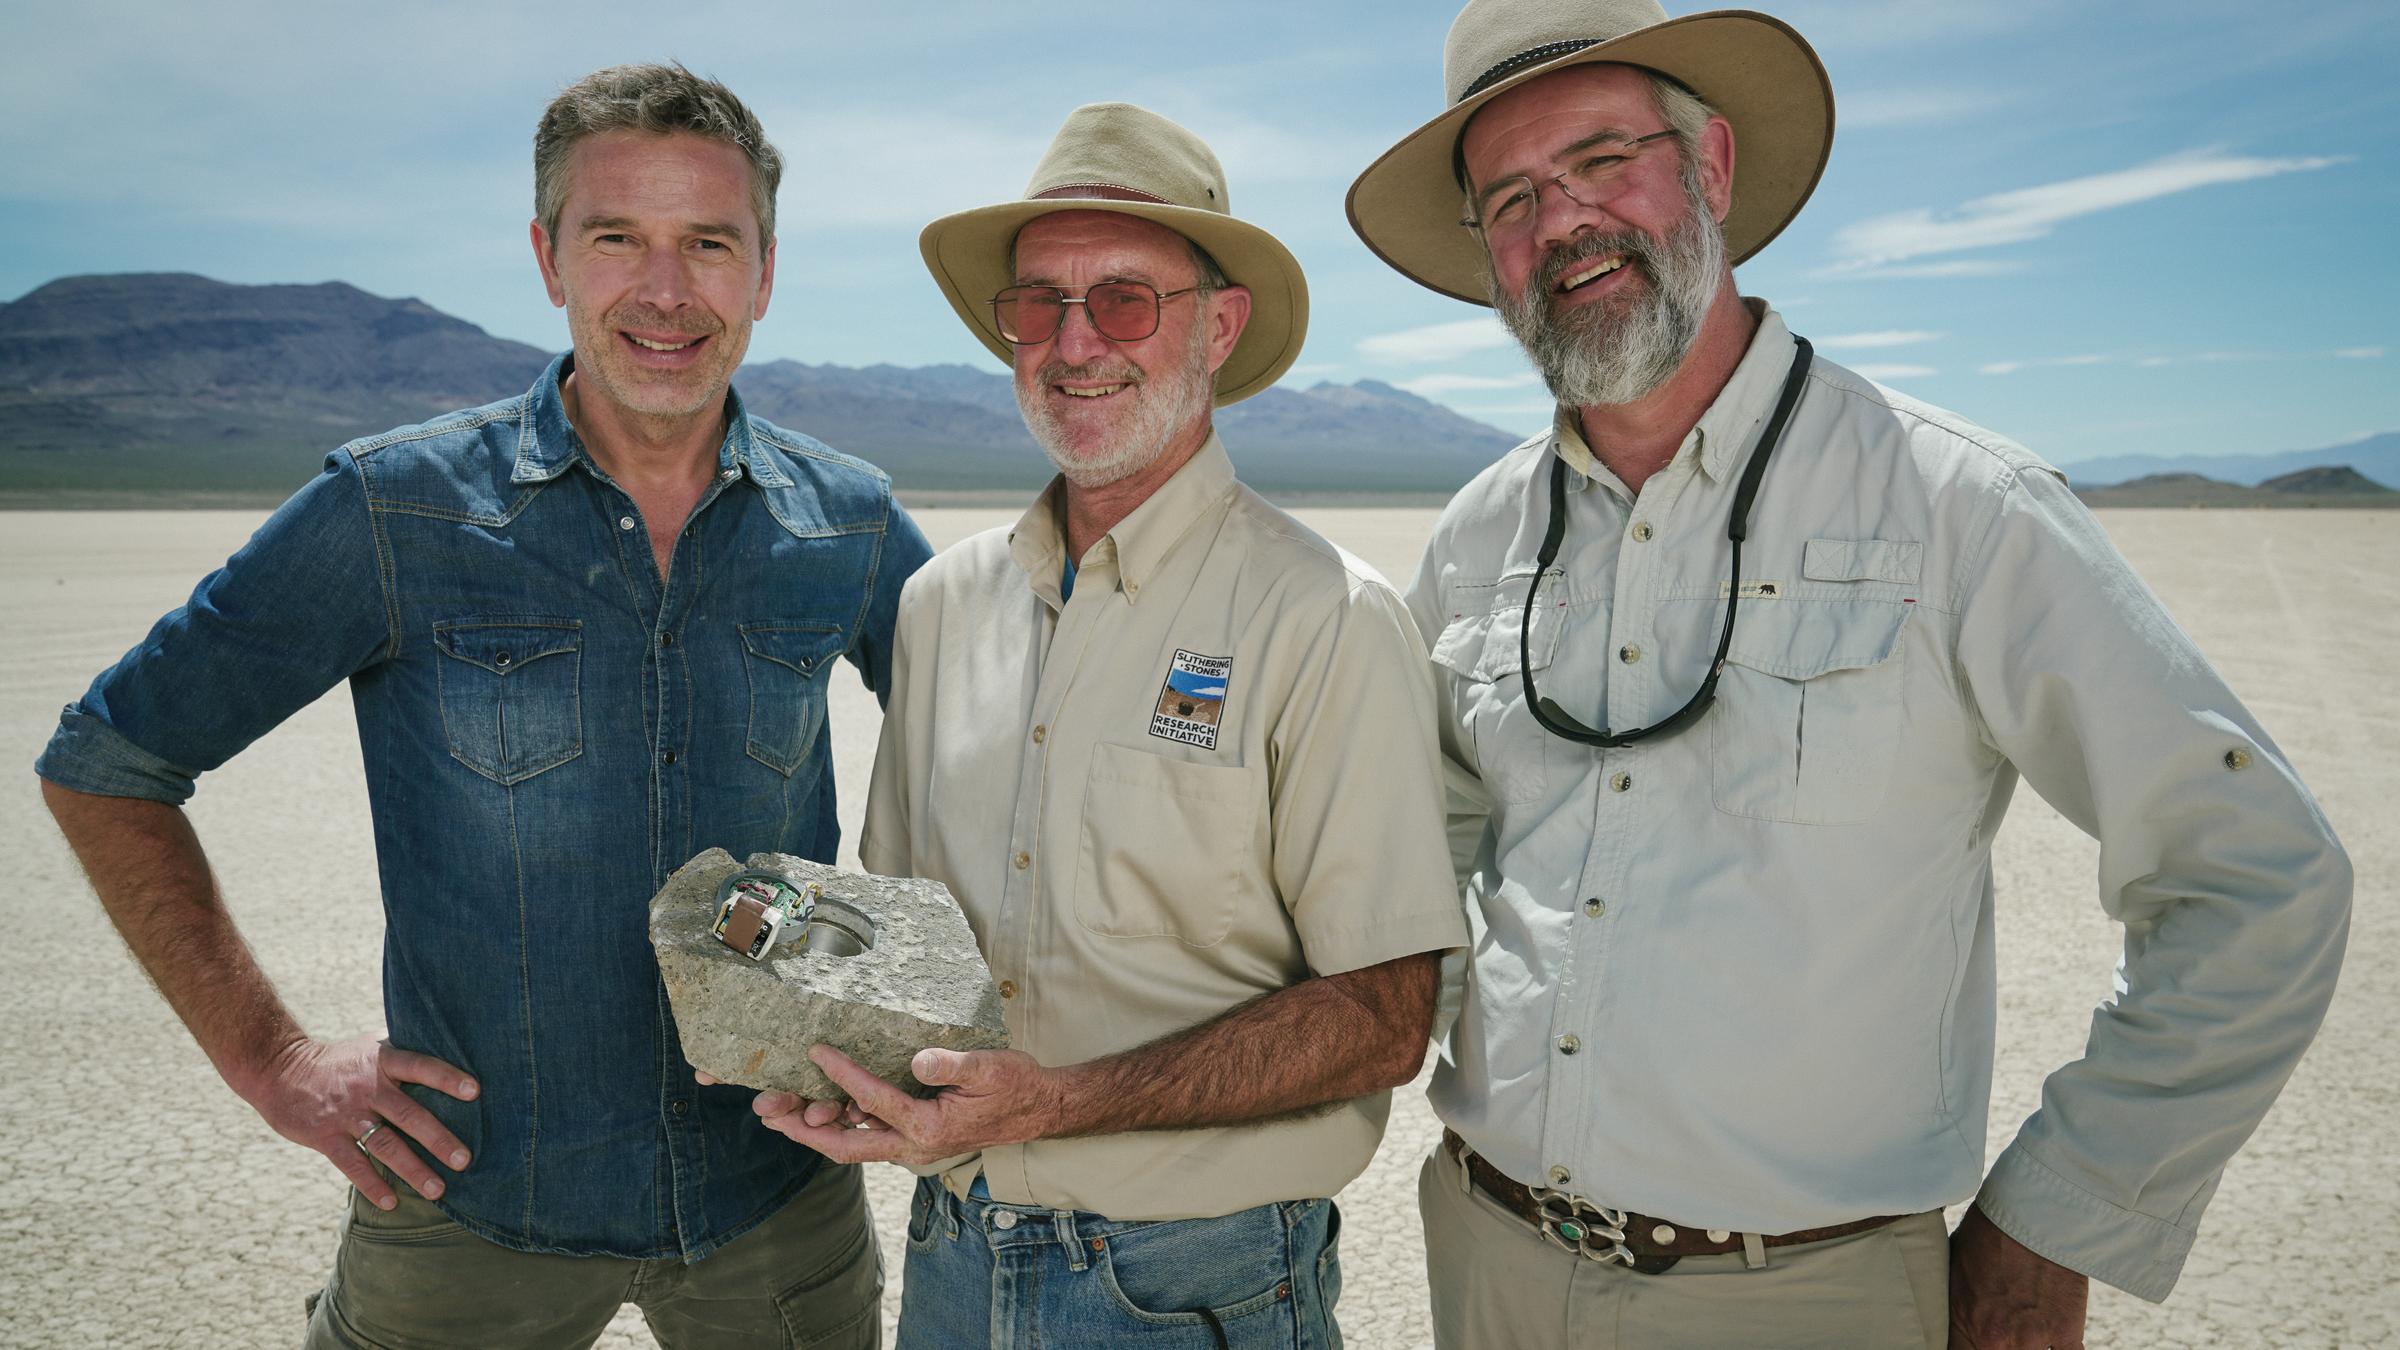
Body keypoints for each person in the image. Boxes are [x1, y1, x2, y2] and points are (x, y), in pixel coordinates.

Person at [1345, 3, 2353, 1346]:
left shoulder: (1959, 506)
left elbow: (2256, 874)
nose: (1566, 221)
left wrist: (2058, 1212)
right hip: (1487, 1258)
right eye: (1516, 198)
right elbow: (1438, 849)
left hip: (1804, 1297)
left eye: (1602, 162)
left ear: (1710, 165)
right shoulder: (1479, 536)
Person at [35, 62, 928, 1349]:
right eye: (616, 237)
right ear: (548, 256)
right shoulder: (396, 512)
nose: (666, 290)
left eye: (709, 244)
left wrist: (893, 1022)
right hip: (463, 1210)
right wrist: (274, 1062)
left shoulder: (844, 521)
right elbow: (107, 762)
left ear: (765, 271)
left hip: (773, 1207)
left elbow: (1000, 761)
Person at [737, 102, 1470, 1348]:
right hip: (953, 1266)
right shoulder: (942, 605)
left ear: (1219, 327)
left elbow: (1385, 1015)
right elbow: (910, 942)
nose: (1075, 343)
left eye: (1126, 298)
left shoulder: (1322, 618)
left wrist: (1049, 1105)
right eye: (1040, 304)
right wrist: (818, 1045)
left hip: (1194, 1287)